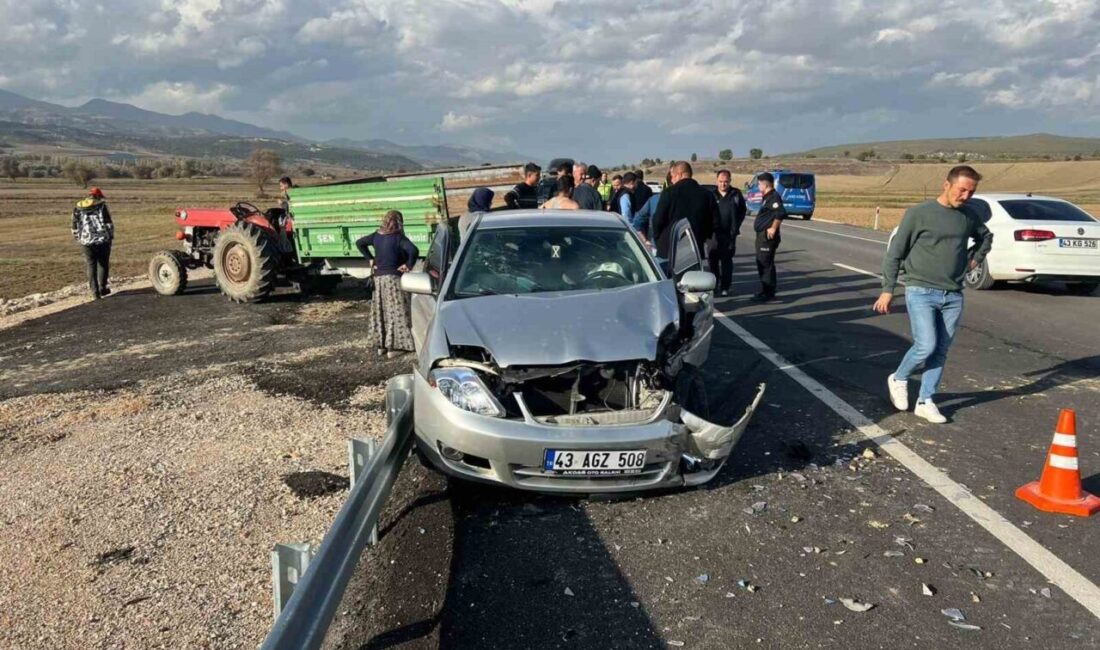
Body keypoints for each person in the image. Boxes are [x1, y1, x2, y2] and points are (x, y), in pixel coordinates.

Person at [874, 165, 993, 423]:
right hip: (920, 290)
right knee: (925, 345)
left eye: (971, 192)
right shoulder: (919, 214)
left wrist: (973, 260)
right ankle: (899, 378)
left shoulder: (968, 216)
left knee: (940, 350)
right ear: (946, 185)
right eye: (962, 190)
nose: (966, 196)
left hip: (953, 294)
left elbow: (986, 238)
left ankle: (926, 401)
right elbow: (895, 253)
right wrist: (887, 290)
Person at [356, 210, 420, 359]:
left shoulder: (376, 235)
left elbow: (359, 243)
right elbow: (413, 250)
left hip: (379, 279)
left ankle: (381, 346)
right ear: (400, 222)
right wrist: (408, 265)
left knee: (381, 310)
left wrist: (370, 259)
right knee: (397, 311)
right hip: (394, 279)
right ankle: (395, 347)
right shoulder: (398, 238)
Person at [650, 161, 716, 261]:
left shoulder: (669, 193)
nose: (671, 180)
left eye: (672, 176)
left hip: (669, 249)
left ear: (680, 174)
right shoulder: (707, 195)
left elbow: (658, 219)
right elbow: (713, 223)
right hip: (695, 248)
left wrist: (658, 238)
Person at [71, 187, 114, 299]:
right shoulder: (102, 206)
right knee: (103, 264)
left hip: (86, 241)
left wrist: (78, 238)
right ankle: (102, 288)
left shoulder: (78, 207)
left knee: (91, 265)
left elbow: (74, 225)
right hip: (102, 239)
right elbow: (108, 223)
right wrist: (110, 236)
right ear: (98, 196)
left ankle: (95, 292)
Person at [709, 170, 747, 296]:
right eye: (720, 181)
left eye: (726, 182)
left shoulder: (735, 194)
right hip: (713, 234)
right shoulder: (711, 195)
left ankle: (725, 286)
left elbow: (742, 211)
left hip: (729, 234)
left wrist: (736, 226)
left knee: (726, 261)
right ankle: (714, 284)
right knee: (713, 261)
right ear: (716, 181)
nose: (723, 184)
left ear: (730, 181)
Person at [750, 173, 786, 302]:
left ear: (765, 184)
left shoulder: (773, 197)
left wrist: (774, 227)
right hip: (762, 236)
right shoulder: (767, 197)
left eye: (759, 184)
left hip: (767, 237)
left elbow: (781, 212)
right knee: (762, 263)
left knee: (765, 264)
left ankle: (769, 293)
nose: (758, 186)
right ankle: (765, 290)